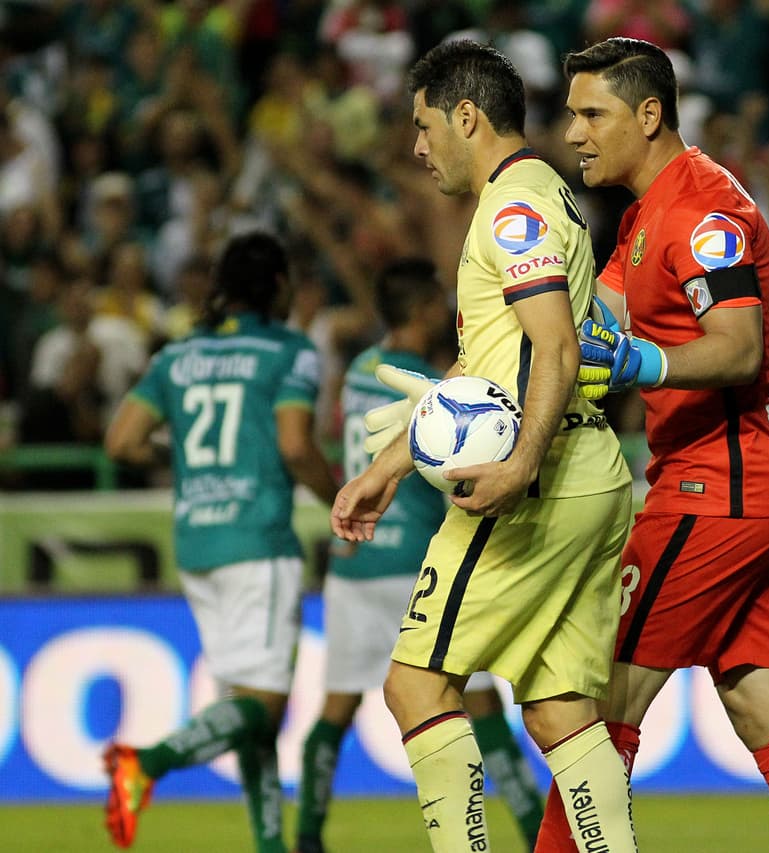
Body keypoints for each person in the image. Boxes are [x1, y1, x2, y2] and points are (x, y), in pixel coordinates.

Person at [537, 37, 769, 852]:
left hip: (719, 485)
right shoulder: (650, 210)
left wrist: (645, 361)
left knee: (600, 706)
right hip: (764, 484)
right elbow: (586, 320)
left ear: (650, 115)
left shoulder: (701, 212)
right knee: (765, 709)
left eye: (591, 114)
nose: (573, 132)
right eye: (572, 113)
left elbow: (739, 345)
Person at [329, 41, 637, 853]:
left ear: (467, 116)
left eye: (425, 126)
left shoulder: (511, 210)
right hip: (589, 472)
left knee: (416, 686)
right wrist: (388, 466)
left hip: (532, 477)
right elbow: (493, 357)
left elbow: (557, 345)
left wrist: (520, 464)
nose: (418, 147)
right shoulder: (542, 195)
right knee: (560, 710)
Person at [101, 231, 340, 852]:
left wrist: (183, 452)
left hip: (197, 543)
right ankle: (144, 764)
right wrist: (342, 496)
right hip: (256, 541)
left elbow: (121, 443)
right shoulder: (289, 350)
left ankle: (268, 846)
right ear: (279, 286)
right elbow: (294, 444)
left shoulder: (177, 355)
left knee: (250, 711)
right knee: (263, 705)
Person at [296, 258, 544, 853]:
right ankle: (536, 831)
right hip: (417, 561)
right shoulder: (436, 386)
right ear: (423, 309)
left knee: (336, 707)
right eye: (439, 302)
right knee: (479, 702)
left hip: (354, 562)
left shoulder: (360, 370)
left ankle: (305, 835)